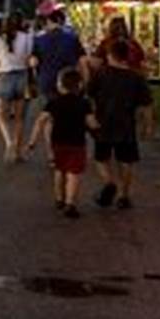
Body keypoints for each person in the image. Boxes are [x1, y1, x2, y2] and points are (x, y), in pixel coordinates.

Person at [87, 39, 155, 210]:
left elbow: (88, 95)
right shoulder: (136, 78)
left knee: (101, 158)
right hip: (126, 125)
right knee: (126, 160)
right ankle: (124, 195)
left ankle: (109, 182)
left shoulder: (100, 74)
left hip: (103, 123)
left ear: (110, 56)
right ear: (126, 56)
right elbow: (146, 104)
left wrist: (90, 115)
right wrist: (148, 126)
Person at [32, 68, 97, 219]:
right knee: (73, 173)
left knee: (59, 170)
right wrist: (99, 129)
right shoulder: (84, 103)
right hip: (77, 143)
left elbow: (41, 120)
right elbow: (92, 123)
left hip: (58, 143)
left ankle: (59, 199)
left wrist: (32, 141)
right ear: (79, 85)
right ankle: (70, 203)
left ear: (59, 85)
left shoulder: (53, 102)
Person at [27, 9, 88, 161]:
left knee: (49, 118)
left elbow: (33, 62)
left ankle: (51, 154)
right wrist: (85, 81)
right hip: (69, 82)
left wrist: (35, 77)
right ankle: (69, 149)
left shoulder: (39, 40)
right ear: (62, 21)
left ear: (49, 22)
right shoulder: (73, 38)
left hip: (46, 82)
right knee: (69, 117)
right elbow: (82, 61)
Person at [0, 14, 33, 163]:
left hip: (4, 77)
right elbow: (28, 61)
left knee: (2, 117)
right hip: (21, 76)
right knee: (20, 119)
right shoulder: (26, 37)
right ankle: (18, 151)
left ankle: (9, 143)